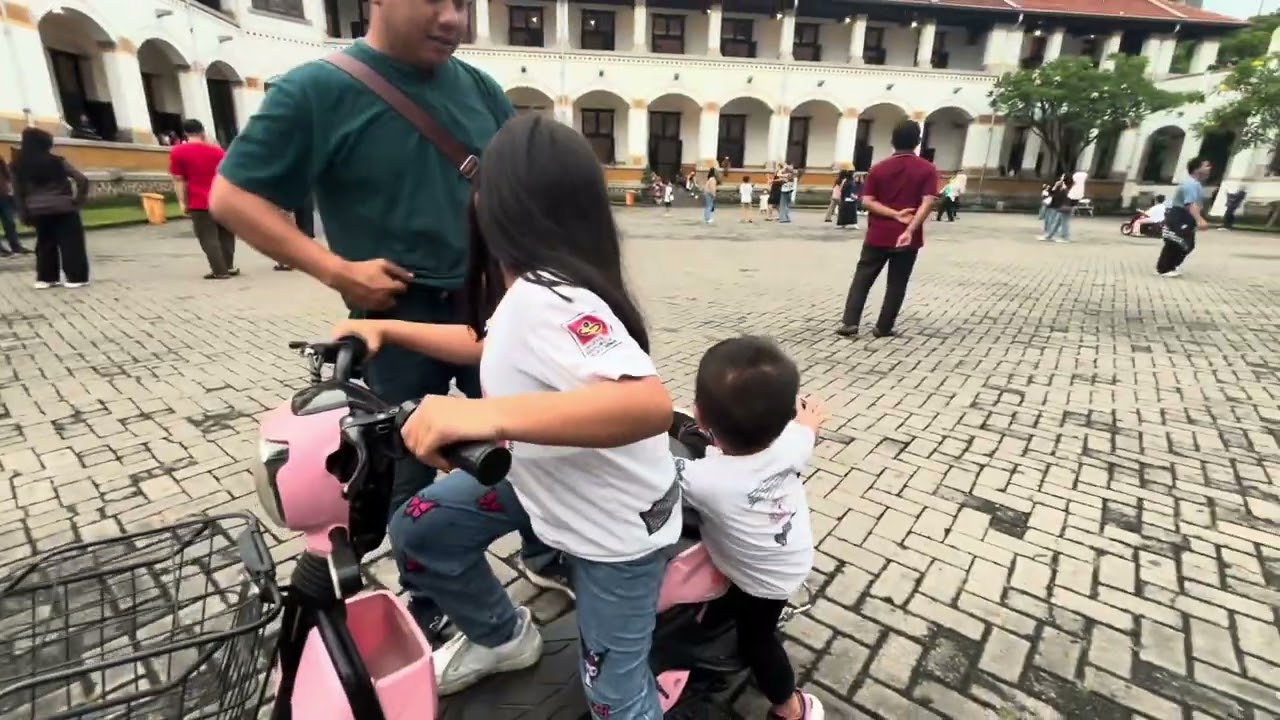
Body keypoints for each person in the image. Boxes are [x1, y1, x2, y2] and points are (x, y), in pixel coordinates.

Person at [332, 114, 679, 719]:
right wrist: (385, 327)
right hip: (546, 485)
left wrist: (482, 420)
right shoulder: (533, 293)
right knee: (422, 529)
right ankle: (503, 639)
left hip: (613, 533)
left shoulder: (553, 295)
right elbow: (488, 344)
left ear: (494, 205)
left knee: (614, 697)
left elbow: (647, 404)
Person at [678, 336, 827, 720]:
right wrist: (809, 418)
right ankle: (713, 621)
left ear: (699, 414)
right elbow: (807, 427)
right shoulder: (793, 443)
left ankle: (789, 706)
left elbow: (657, 475)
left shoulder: (703, 480)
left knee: (758, 638)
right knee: (735, 601)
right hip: (789, 554)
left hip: (764, 577)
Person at [835, 120, 936, 339]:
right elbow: (928, 202)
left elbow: (867, 201)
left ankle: (850, 322)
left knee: (863, 278)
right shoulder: (927, 169)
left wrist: (892, 213)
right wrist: (909, 227)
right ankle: (884, 326)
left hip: (878, 234)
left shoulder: (879, 168)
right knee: (897, 283)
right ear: (918, 142)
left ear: (892, 141)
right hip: (908, 238)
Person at [11, 127, 90, 289]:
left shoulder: (17, 166)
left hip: (37, 210)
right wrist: (77, 201)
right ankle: (76, 277)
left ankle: (46, 278)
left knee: (45, 243)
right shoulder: (57, 161)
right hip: (64, 208)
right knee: (71, 243)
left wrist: (23, 213)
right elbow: (82, 180)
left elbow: (18, 193)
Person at [171, 119, 239, 280]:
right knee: (226, 235)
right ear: (202, 131)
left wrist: (182, 201)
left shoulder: (178, 152)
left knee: (208, 236)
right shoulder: (218, 152)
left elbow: (179, 180)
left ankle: (219, 270)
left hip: (199, 201)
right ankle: (228, 266)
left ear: (185, 133)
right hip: (222, 199)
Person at [1158, 157, 1211, 278]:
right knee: (1175, 241)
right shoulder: (1191, 184)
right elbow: (1189, 204)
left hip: (1185, 216)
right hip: (1180, 216)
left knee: (1187, 243)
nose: (1209, 168)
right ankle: (1165, 268)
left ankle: (1170, 266)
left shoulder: (1195, 184)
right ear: (1197, 169)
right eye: (1206, 165)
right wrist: (1200, 220)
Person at [0, 155, 33, 256]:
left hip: (2, 193)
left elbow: (6, 172)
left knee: (9, 221)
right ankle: (2, 250)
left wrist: (10, 185)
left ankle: (16, 246)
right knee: (9, 220)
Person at [1040, 175, 1074, 243]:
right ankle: (1050, 236)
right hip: (1058, 206)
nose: (1060, 180)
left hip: (1061, 206)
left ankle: (1064, 237)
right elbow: (1052, 193)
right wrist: (1055, 186)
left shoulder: (1067, 188)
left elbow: (1063, 196)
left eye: (1062, 178)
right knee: (1056, 222)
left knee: (1061, 222)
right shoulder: (1062, 187)